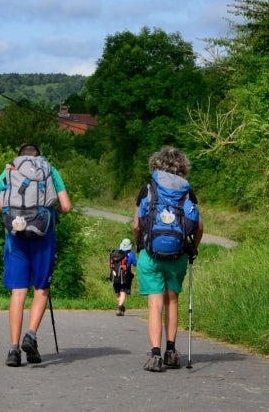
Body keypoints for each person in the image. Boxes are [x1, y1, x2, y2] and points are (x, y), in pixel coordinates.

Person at [0, 143, 72, 367]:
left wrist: (10, 210)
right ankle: (30, 335)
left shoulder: (10, 170)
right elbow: (66, 206)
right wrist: (47, 210)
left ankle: (13, 350)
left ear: (20, 156)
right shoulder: (50, 171)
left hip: (16, 236)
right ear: (39, 157)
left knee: (18, 292)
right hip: (43, 237)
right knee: (41, 288)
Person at [132, 146, 203, 372]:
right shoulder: (187, 192)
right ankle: (171, 351)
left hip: (151, 253)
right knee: (172, 300)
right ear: (182, 166)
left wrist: (140, 245)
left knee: (155, 304)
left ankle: (155, 355)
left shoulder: (148, 189)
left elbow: (136, 224)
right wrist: (192, 247)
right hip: (178, 254)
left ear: (156, 164)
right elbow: (199, 227)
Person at [111, 238, 137, 316]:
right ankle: (119, 307)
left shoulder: (116, 253)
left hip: (115, 276)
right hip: (125, 276)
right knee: (123, 292)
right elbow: (135, 263)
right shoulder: (131, 254)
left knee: (118, 292)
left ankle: (121, 307)